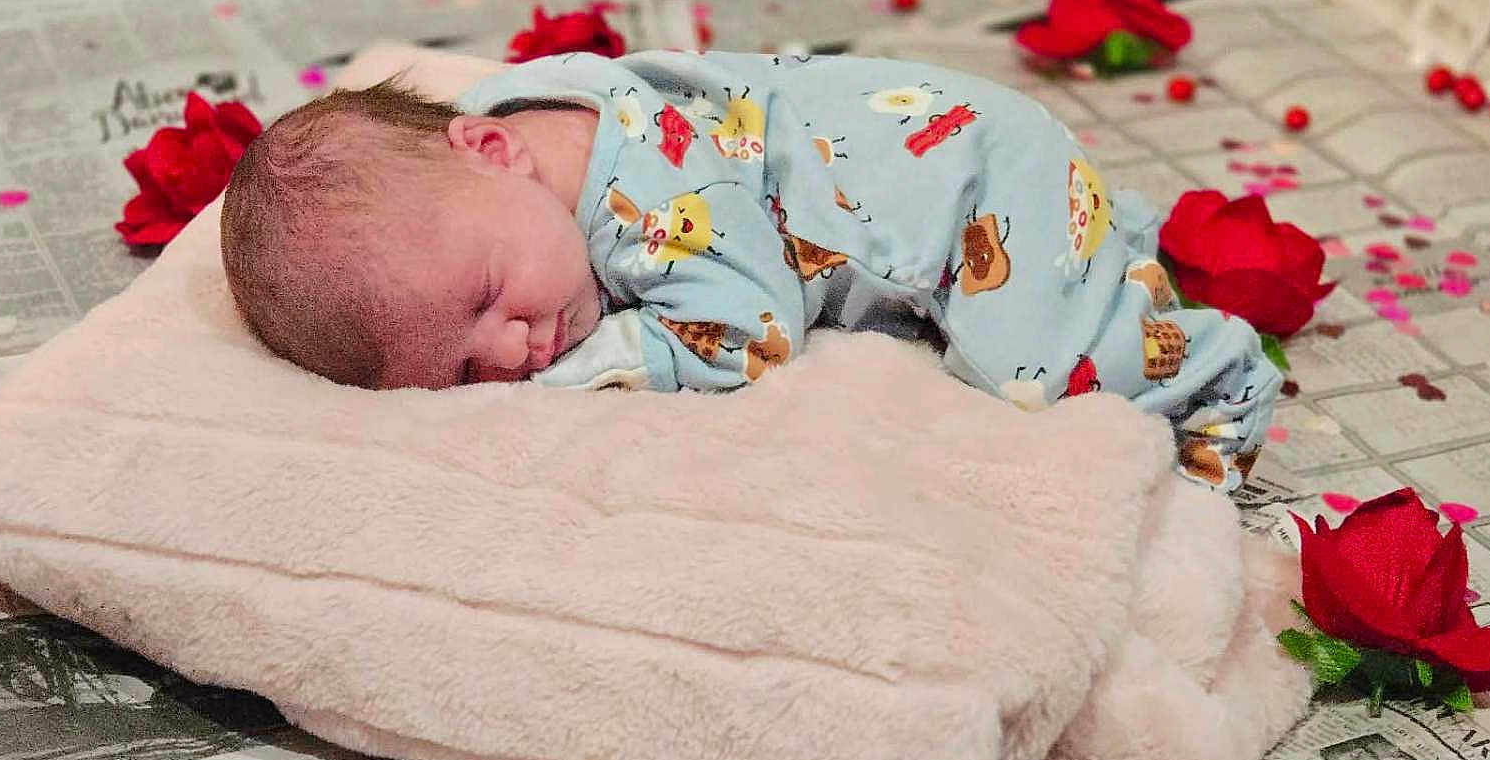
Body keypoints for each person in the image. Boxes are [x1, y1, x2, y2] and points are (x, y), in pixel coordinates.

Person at [219, 50, 1280, 490]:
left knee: (1031, 374)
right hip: (940, 143)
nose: (511, 349)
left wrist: (597, 365)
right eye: (460, 370)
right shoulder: (516, 109)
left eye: (487, 298)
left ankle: (1216, 373)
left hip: (969, 185)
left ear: (493, 156)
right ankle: (1098, 248)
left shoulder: (643, 199)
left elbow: (752, 334)